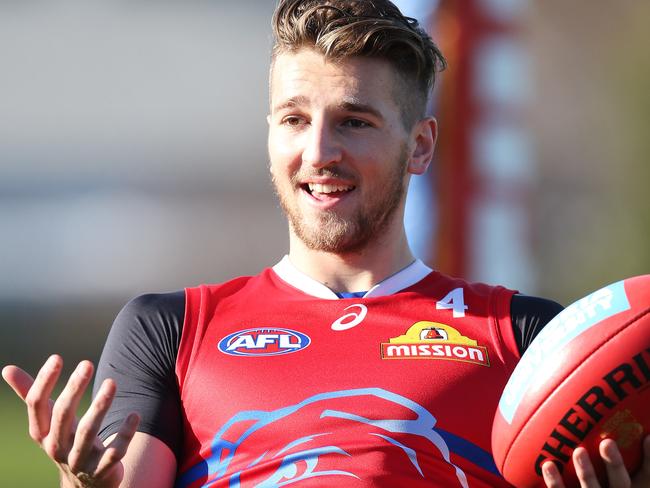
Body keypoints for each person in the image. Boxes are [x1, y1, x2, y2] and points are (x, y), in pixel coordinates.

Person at [3, 0, 649, 487]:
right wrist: (85, 480)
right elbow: (122, 481)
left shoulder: (529, 336)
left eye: (354, 122)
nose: (319, 152)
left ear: (420, 145)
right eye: (294, 119)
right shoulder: (169, 328)